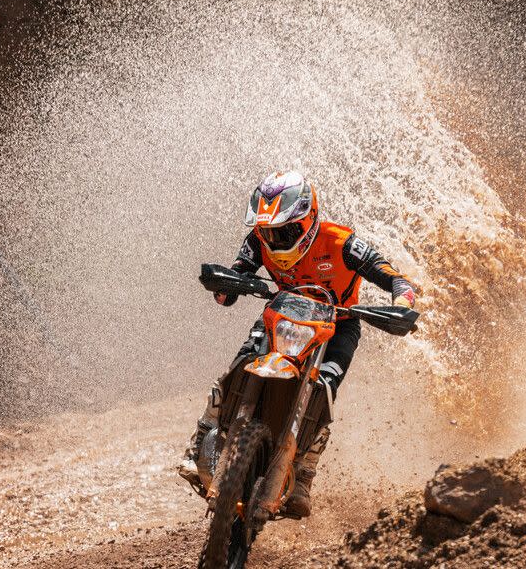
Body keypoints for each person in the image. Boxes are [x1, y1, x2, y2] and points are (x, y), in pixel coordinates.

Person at [177, 170, 415, 518]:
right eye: (268, 231)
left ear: (308, 220)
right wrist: (227, 285)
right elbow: (234, 278)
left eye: (284, 231)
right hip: (281, 315)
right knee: (239, 363)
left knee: (325, 388)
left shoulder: (343, 243)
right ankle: (200, 440)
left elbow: (396, 279)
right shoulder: (258, 239)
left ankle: (303, 475)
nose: (273, 238)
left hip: (337, 326)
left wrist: (402, 307)